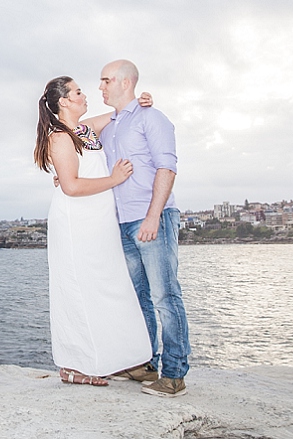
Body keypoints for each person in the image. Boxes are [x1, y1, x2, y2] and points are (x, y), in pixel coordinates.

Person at [33, 76, 152, 386]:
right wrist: (114, 180)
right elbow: (70, 186)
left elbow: (119, 115)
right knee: (77, 289)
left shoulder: (84, 130)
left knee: (107, 286)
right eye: (78, 92)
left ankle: (116, 359)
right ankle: (74, 365)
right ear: (64, 102)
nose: (84, 95)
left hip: (98, 221)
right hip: (76, 222)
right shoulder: (59, 137)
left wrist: (141, 102)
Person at [98, 59, 191, 398]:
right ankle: (146, 363)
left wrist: (154, 216)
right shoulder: (110, 126)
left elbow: (167, 167)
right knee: (140, 298)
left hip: (153, 217)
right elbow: (74, 132)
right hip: (122, 222)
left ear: (125, 82)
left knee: (165, 295)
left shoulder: (154, 118)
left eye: (106, 80)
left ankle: (175, 375)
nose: (101, 87)